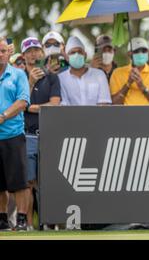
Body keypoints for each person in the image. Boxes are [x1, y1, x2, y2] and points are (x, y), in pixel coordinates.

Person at [21, 37, 61, 230]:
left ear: (42, 53)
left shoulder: (52, 77)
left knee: (47, 181)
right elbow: (19, 104)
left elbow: (54, 105)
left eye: (36, 50)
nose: (33, 54)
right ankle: (29, 224)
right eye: (29, 51)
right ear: (23, 55)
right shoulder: (19, 77)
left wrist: (31, 107)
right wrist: (30, 82)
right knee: (29, 182)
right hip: (26, 134)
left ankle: (48, 223)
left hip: (47, 134)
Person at [0, 37, 30, 231]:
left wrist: (2, 117)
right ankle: (2, 219)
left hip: (13, 135)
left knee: (19, 182)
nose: (0, 55)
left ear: (9, 53)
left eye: (3, 51)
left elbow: (23, 101)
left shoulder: (18, 74)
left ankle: (20, 219)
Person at [110, 37, 149, 105]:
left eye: (144, 51)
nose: (140, 53)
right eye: (136, 51)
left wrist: (143, 88)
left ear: (148, 52)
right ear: (129, 54)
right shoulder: (117, 73)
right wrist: (128, 84)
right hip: (125, 115)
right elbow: (114, 103)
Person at [58, 36, 111, 105]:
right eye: (72, 52)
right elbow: (64, 106)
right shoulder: (61, 78)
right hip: (71, 116)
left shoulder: (99, 75)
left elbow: (104, 103)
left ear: (85, 55)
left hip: (98, 115)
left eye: (79, 51)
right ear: (67, 58)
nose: (76, 55)